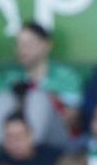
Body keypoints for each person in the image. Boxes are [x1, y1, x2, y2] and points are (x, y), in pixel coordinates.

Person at [6, 22, 82, 152]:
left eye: (28, 44)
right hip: (16, 136)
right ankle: (3, 151)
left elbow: (72, 119)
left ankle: (32, 153)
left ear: (46, 45)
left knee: (37, 96)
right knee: (4, 97)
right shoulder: (12, 77)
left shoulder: (66, 77)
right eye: (19, 44)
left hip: (56, 137)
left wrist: (51, 100)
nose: (22, 49)